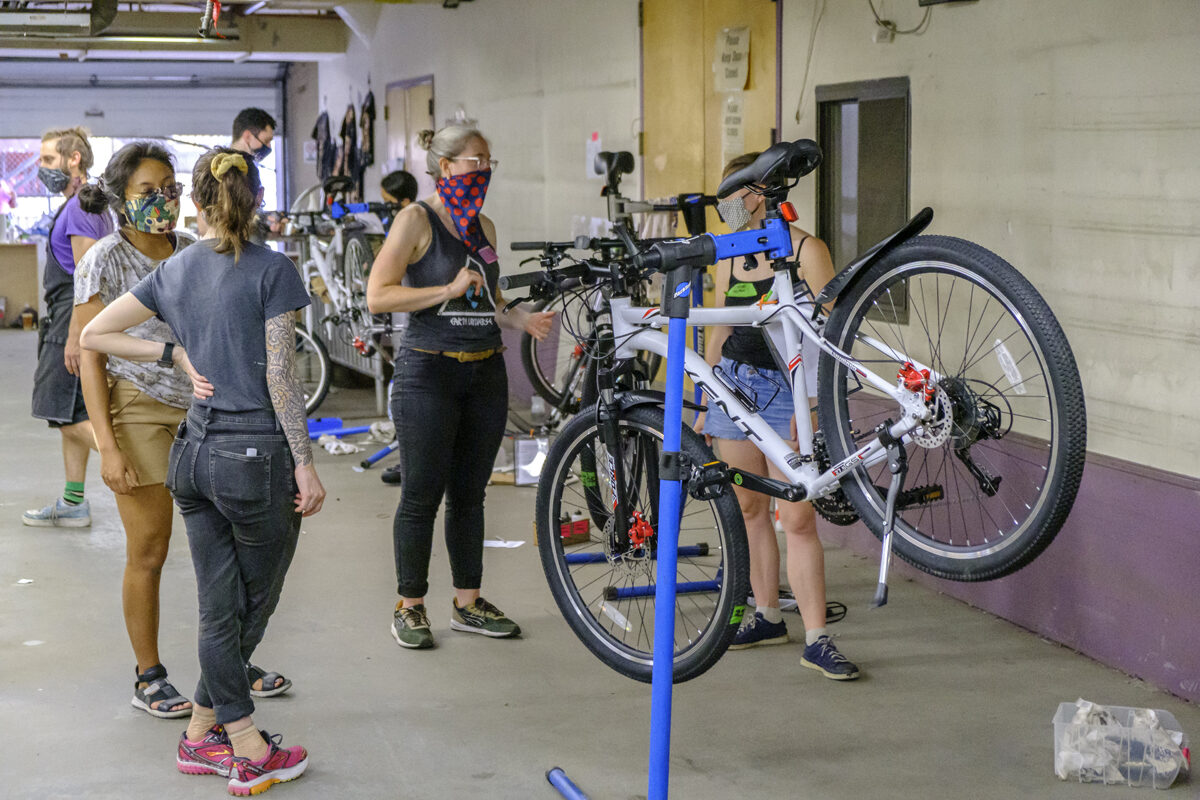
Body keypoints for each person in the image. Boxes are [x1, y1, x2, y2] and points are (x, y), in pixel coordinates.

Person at [81, 148, 323, 793]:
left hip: (193, 455)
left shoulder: (177, 267)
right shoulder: (274, 269)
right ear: (258, 200)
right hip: (254, 458)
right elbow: (280, 374)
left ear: (195, 203)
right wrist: (304, 463)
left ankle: (199, 732)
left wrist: (171, 349)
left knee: (219, 604)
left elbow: (94, 336)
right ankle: (243, 741)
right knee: (251, 602)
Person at [366, 125, 554, 649]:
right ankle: (410, 605)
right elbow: (378, 297)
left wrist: (521, 321)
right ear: (445, 166)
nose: (485, 170)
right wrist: (444, 288)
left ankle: (467, 602)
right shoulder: (415, 220)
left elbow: (488, 300)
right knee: (422, 494)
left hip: (484, 372)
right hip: (428, 373)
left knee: (470, 497)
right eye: (476, 161)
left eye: (490, 161)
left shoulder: (483, 225)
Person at [695, 152, 860, 681]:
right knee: (749, 508)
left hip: (791, 389)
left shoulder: (807, 249)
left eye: (736, 194)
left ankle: (817, 636)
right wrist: (708, 394)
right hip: (738, 383)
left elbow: (828, 335)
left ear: (761, 193)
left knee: (798, 516)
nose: (728, 206)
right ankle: (767, 614)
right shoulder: (729, 253)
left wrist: (812, 404)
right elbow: (719, 326)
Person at [75, 142, 199, 718]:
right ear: (121, 198)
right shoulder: (104, 257)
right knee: (149, 548)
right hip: (138, 406)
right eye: (147, 191)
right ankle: (149, 675)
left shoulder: (195, 250)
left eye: (169, 187)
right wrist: (107, 445)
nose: (163, 199)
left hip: (204, 405)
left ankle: (231, 660)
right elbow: (89, 354)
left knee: (221, 543)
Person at [23, 126, 112, 527]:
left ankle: (137, 471)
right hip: (66, 315)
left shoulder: (80, 206)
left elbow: (87, 278)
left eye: (48, 160)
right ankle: (73, 501)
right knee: (69, 411)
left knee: (59, 410)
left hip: (71, 318)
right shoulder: (80, 203)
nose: (43, 168)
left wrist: (77, 339)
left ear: (73, 159)